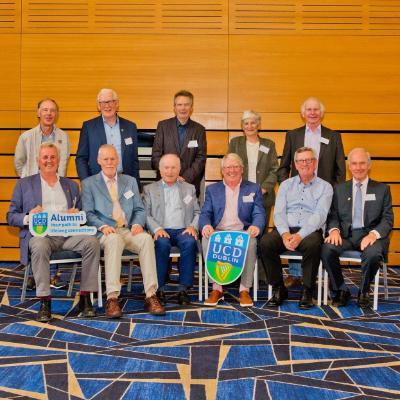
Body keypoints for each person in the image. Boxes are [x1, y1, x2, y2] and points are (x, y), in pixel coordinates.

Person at [7, 143, 100, 323]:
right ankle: (45, 301)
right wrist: (29, 216)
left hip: (68, 236)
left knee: (92, 242)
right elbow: (11, 216)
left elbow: (82, 214)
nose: (49, 161)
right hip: (42, 236)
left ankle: (85, 297)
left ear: (58, 160)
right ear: (38, 161)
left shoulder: (71, 185)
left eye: (52, 157)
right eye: (45, 157)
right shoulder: (24, 184)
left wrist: (77, 214)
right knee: (40, 245)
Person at [81, 144, 165, 318]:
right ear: (99, 161)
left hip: (127, 229)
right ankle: (112, 298)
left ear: (117, 160)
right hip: (105, 232)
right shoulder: (89, 184)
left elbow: (140, 209)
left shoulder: (130, 181)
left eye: (113, 158)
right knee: (114, 240)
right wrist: (102, 226)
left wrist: (137, 223)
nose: (110, 162)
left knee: (146, 240)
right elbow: (87, 213)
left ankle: (151, 295)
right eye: (106, 159)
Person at [277, 97, 346, 288]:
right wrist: (288, 187)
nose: (313, 113)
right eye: (309, 109)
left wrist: (335, 193)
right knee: (295, 223)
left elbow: (340, 168)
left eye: (316, 109)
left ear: (321, 113)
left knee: (316, 232)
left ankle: (314, 274)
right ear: (303, 113)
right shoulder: (293, 135)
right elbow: (284, 166)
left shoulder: (333, 136)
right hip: (297, 189)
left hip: (323, 193)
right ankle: (295, 273)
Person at [260, 147, 333, 309]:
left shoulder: (325, 187)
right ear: (295, 164)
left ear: (315, 163)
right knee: (266, 243)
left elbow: (319, 216)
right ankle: (279, 287)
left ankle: (307, 289)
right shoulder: (286, 185)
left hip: (310, 230)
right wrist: (285, 234)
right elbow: (279, 213)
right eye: (301, 161)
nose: (305, 164)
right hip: (286, 228)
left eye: (308, 160)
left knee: (314, 245)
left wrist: (299, 235)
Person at [321, 148, 393, 309]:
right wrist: (333, 230)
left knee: (373, 254)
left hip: (370, 236)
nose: (358, 167)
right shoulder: (339, 189)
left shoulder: (382, 189)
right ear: (349, 166)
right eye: (354, 163)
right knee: (327, 249)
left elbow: (388, 219)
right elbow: (333, 215)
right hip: (346, 236)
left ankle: (364, 290)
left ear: (369, 165)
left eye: (362, 163)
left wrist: (374, 234)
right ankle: (340, 289)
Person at [14, 98, 71, 289]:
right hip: (33, 189)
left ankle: (54, 275)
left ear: (56, 114)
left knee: (56, 227)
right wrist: (28, 183)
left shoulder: (63, 136)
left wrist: (56, 185)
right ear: (38, 112)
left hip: (55, 187)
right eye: (45, 110)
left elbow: (62, 164)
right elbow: (19, 162)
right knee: (37, 233)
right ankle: (35, 275)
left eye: (52, 110)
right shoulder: (26, 137)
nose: (49, 113)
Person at [199, 153, 266, 307]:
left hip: (242, 232)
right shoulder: (212, 189)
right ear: (222, 170)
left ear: (242, 169)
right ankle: (216, 288)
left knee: (251, 242)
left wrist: (256, 226)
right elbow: (205, 213)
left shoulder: (253, 188)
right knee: (206, 238)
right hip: (219, 231)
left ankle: (244, 289)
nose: (232, 170)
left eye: (236, 166)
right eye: (228, 167)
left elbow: (259, 212)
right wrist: (206, 225)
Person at [143, 154, 200, 305]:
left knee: (190, 242)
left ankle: (183, 289)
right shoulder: (149, 189)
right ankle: (159, 288)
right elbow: (145, 214)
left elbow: (198, 212)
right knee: (161, 244)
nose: (170, 171)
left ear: (179, 169)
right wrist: (156, 229)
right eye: (166, 167)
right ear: (160, 170)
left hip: (183, 229)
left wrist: (193, 227)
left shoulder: (189, 188)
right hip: (162, 230)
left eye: (173, 167)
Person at [76, 88, 140, 186]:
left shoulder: (130, 127)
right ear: (98, 106)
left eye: (110, 101)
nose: (107, 106)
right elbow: (81, 158)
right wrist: (86, 182)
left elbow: (134, 160)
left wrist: (136, 186)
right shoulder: (88, 127)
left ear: (117, 103)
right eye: (103, 102)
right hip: (97, 183)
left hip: (125, 182)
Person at [151, 90, 206, 197]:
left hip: (189, 183)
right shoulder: (163, 126)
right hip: (165, 183)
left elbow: (201, 158)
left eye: (186, 104)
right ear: (174, 107)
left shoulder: (199, 129)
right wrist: (170, 175)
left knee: (188, 213)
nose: (183, 108)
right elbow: (156, 155)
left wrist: (184, 178)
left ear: (191, 107)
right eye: (179, 104)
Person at [228, 110, 278, 226]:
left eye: (253, 123)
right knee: (241, 230)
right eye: (246, 123)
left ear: (259, 125)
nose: (250, 126)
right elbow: (228, 167)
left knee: (261, 232)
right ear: (242, 126)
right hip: (239, 194)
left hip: (263, 196)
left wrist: (263, 189)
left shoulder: (269, 144)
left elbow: (275, 169)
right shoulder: (235, 143)